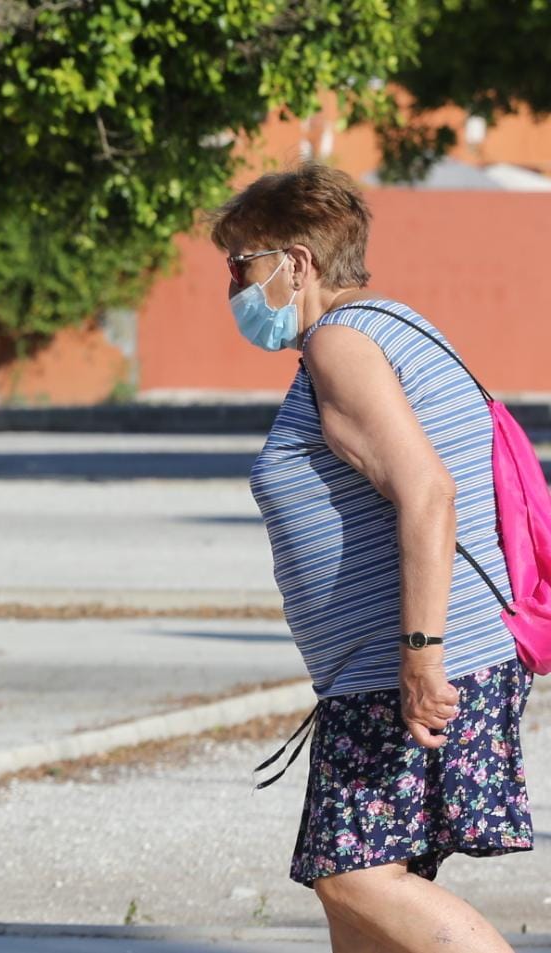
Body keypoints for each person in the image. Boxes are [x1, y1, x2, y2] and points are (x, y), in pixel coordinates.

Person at [218, 163, 531, 952]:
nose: (233, 286)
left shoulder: (342, 344)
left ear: (298, 262)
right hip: (393, 664)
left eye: (242, 264)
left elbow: (429, 493)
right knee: (355, 905)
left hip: (418, 660)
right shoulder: (395, 326)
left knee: (356, 877)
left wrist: (421, 653)